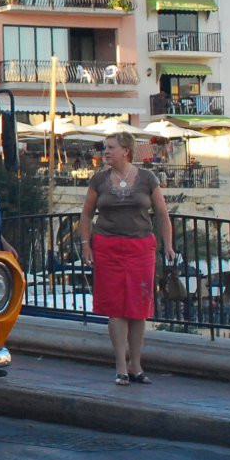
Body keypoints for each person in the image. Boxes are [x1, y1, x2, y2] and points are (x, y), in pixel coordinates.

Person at [77, 131, 179, 386]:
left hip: (140, 247)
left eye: (110, 147)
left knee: (138, 307)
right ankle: (120, 366)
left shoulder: (147, 178)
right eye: (105, 147)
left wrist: (168, 245)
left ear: (126, 150)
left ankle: (136, 364)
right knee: (115, 307)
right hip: (108, 247)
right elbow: (87, 215)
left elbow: (162, 214)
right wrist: (85, 245)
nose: (105, 152)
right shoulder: (99, 180)